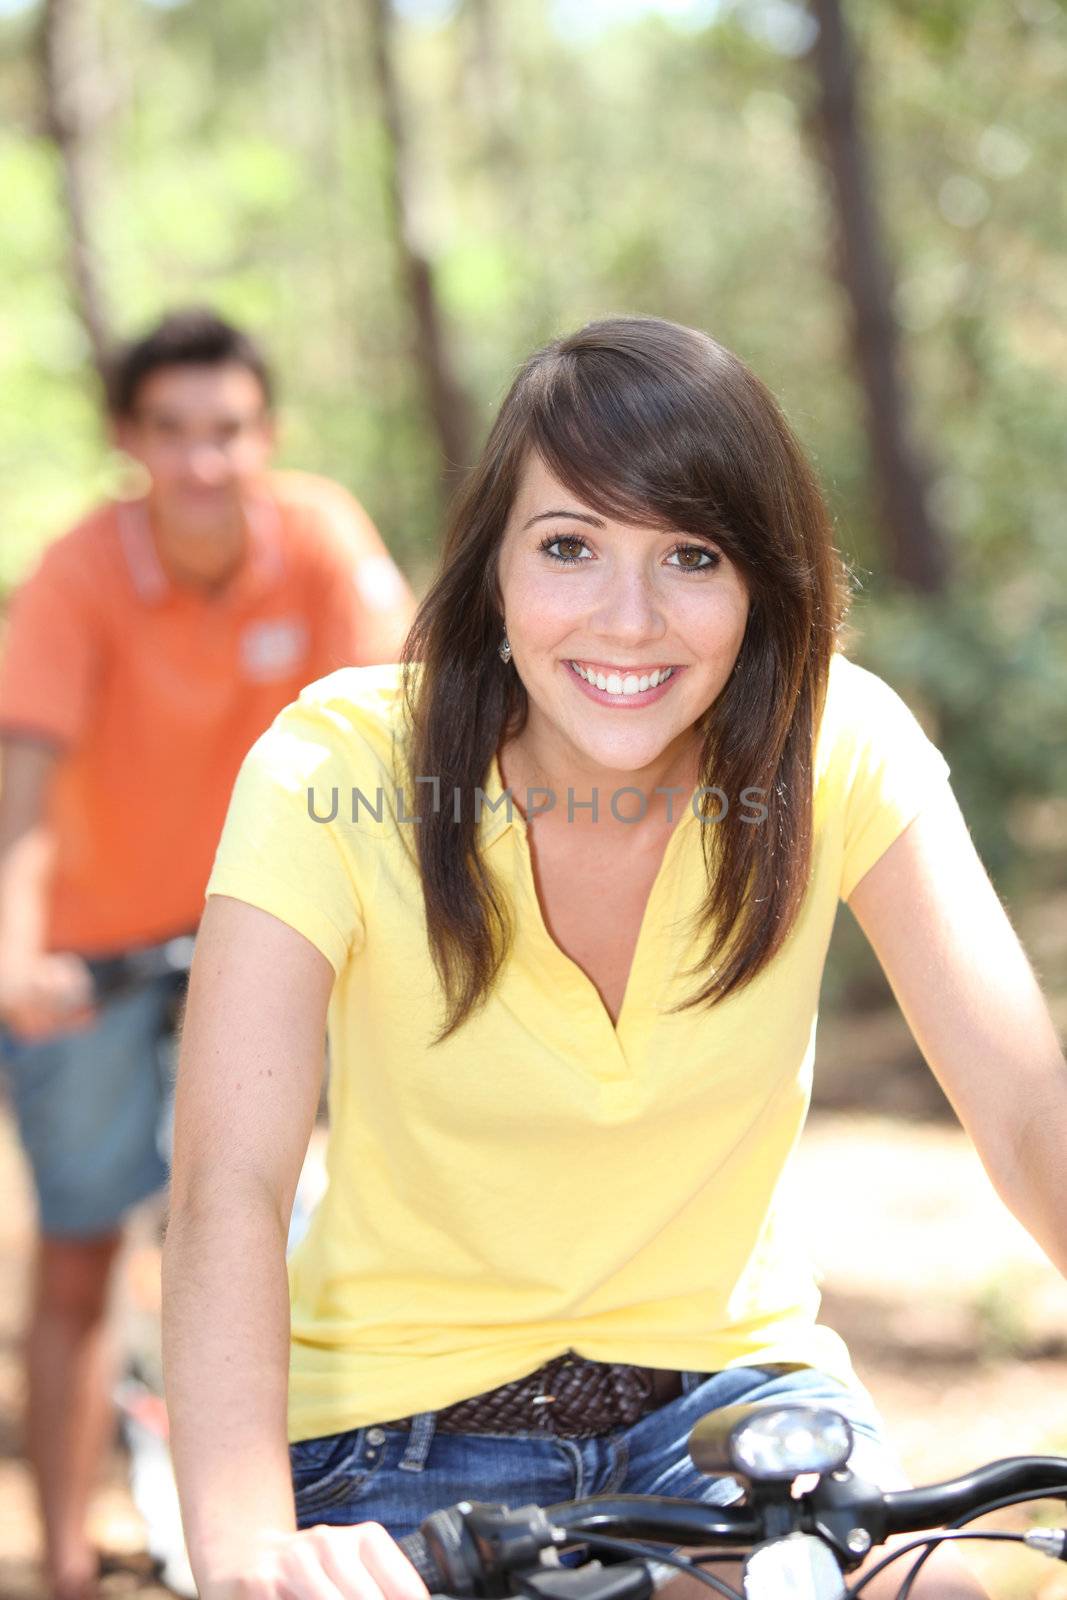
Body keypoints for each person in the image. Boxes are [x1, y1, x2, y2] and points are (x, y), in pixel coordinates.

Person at [162, 316, 1067, 1600]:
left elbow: (1030, 1108)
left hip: (731, 1419)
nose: (627, 620)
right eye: (569, 547)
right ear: (493, 573)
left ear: (761, 583)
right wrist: (248, 1540)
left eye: (689, 556)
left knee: (936, 1591)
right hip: (391, 1447)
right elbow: (226, 1183)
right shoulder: (334, 767)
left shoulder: (835, 746)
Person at [0, 306, 417, 1600]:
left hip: (270, 932)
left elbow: (412, 730)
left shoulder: (320, 541)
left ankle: (287, 1536)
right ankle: (64, 1559)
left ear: (266, 435)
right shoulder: (76, 576)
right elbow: (21, 780)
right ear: (129, 441)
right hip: (96, 949)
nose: (202, 462)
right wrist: (14, 952)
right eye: (171, 434)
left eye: (227, 431)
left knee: (297, 1239)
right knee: (79, 1252)